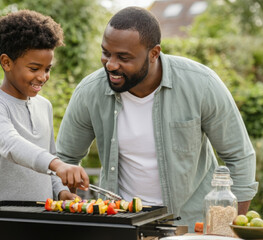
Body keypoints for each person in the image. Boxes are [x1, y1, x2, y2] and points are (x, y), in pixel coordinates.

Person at [56, 7, 258, 231]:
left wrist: (231, 229)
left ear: (154, 53)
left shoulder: (202, 84)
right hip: (122, 227)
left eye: (123, 57)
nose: (111, 64)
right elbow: (64, 158)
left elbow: (239, 156)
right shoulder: (89, 92)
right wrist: (63, 193)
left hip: (191, 228)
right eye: (106, 52)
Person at [0, 9, 89, 204]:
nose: (43, 77)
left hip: (38, 218)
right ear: (6, 62)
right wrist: (58, 165)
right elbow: (11, 145)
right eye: (34, 69)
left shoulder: (44, 106)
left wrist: (60, 191)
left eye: (47, 69)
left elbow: (49, 160)